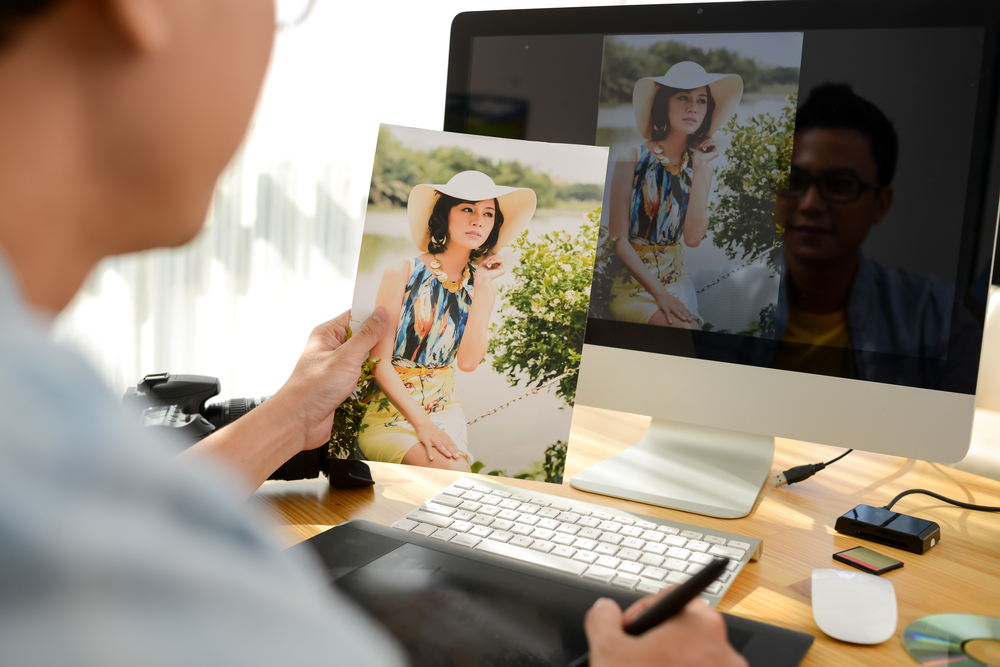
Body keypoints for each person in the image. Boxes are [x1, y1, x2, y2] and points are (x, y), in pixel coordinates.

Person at [0, 1, 747, 665]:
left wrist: (292, 415)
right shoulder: (48, 479)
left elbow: (138, 529)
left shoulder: (50, 456)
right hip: (408, 406)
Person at [772, 83, 979, 391]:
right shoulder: (709, 300)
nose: (810, 204)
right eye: (794, 180)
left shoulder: (935, 314)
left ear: (881, 203)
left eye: (839, 184)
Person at [358, 171, 534, 471]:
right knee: (452, 473)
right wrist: (424, 426)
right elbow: (379, 363)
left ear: (494, 225)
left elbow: (467, 362)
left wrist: (482, 288)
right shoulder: (402, 271)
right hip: (388, 410)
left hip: (446, 407)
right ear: (445, 216)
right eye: (467, 209)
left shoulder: (482, 285)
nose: (478, 220)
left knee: (458, 476)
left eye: (488, 213)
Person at [606, 61, 743, 328]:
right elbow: (618, 241)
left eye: (701, 100)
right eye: (683, 97)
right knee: (682, 330)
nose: (693, 106)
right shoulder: (631, 158)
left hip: (678, 279)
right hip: (632, 284)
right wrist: (661, 295)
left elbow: (692, 238)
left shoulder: (700, 167)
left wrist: (702, 168)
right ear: (664, 105)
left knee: (689, 334)